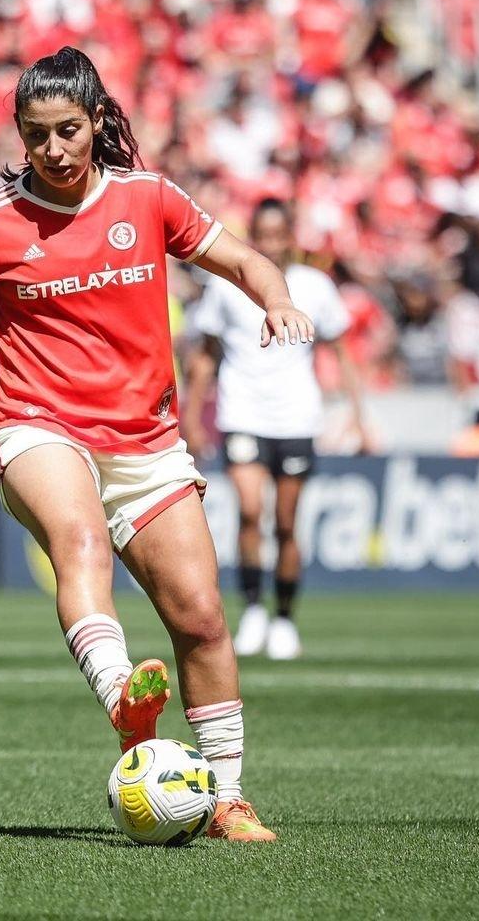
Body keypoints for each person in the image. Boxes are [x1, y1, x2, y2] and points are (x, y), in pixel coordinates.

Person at [0, 47, 317, 844]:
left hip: (147, 438)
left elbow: (241, 258)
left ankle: (227, 797)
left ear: (98, 121)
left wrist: (276, 300)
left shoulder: (149, 198)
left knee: (200, 620)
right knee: (80, 540)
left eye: (67, 130)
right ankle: (125, 692)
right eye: (35, 136)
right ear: (18, 137)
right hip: (37, 423)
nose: (53, 150)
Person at [183, 199, 368, 661]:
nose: (268, 243)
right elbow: (205, 355)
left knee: (287, 522)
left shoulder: (315, 287)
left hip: (296, 416)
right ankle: (252, 610)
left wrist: (358, 415)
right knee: (249, 512)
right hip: (242, 413)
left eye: (276, 234)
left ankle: (284, 617)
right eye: (260, 235)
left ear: (289, 236)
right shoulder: (227, 287)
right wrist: (190, 415)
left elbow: (342, 352)